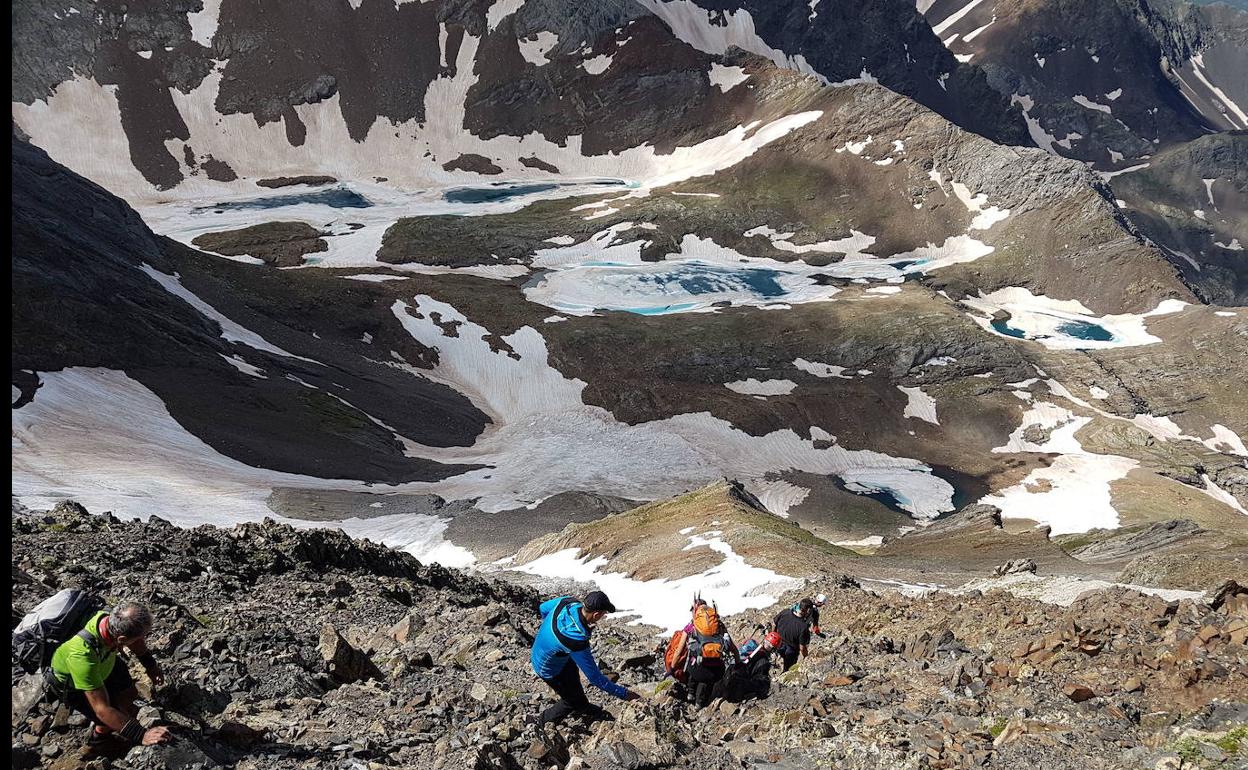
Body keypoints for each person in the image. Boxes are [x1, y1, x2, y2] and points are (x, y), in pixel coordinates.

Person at [49, 602, 171, 752]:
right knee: (105, 718)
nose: (142, 640)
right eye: (139, 637)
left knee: (130, 692)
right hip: (74, 683)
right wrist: (142, 734)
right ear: (121, 640)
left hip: (104, 659)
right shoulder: (81, 656)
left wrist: (150, 665)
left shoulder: (107, 619)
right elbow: (102, 709)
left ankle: (119, 716)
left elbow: (135, 640)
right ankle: (98, 740)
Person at [530, 590, 639, 725]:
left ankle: (583, 706)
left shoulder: (567, 602)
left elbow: (543, 608)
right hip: (547, 668)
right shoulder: (575, 639)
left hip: (547, 652)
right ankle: (541, 723)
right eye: (603, 614)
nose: (602, 616)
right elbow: (595, 678)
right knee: (570, 701)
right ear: (596, 615)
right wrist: (625, 694)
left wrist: (547, 633)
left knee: (573, 678)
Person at [682, 602, 738, 708]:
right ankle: (699, 704)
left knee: (693, 659)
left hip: (696, 668)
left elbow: (679, 651)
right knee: (708, 680)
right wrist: (739, 664)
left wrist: (672, 669)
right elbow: (733, 648)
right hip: (716, 671)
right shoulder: (719, 625)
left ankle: (690, 693)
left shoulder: (691, 626)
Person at [772, 598, 814, 672]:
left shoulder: (785, 612)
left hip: (778, 643)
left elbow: (774, 624)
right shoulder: (803, 627)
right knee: (788, 670)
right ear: (808, 611)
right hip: (791, 651)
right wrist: (806, 657)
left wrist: (773, 635)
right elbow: (802, 647)